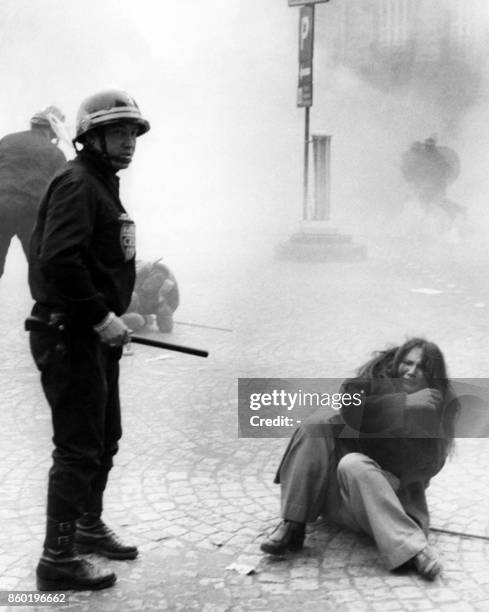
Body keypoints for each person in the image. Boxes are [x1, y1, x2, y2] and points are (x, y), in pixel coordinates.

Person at [28, 89, 150, 591]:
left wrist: (114, 313)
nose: (128, 142)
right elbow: (58, 258)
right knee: (78, 448)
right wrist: (101, 315)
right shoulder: (79, 183)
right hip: (69, 332)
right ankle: (56, 558)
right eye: (117, 132)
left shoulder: (101, 183)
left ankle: (85, 525)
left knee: (104, 438)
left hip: (94, 335)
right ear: (90, 137)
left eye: (132, 133)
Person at [260, 338, 459, 581]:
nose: (411, 371)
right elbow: (350, 407)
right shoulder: (379, 376)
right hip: (339, 496)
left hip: (386, 501)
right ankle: (293, 523)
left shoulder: (438, 405)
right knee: (316, 425)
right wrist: (402, 404)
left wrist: (389, 461)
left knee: (353, 463)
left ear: (432, 375)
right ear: (397, 362)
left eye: (422, 367)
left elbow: (431, 462)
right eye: (407, 363)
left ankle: (414, 550)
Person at [0, 106, 66, 278]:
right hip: (32, 211)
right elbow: (58, 193)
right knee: (40, 269)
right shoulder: (56, 154)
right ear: (53, 130)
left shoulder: (7, 140)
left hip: (2, 205)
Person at [121, 258, 179, 334]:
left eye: (150, 286)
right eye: (147, 283)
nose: (145, 286)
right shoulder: (141, 270)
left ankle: (141, 319)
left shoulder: (166, 294)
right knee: (133, 300)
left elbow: (166, 326)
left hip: (153, 303)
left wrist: (162, 303)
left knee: (140, 320)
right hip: (123, 301)